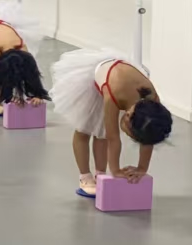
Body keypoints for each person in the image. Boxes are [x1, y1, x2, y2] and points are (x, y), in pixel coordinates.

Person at [49, 50, 172, 198]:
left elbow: (149, 136)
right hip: (96, 79)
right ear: (127, 116)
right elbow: (113, 137)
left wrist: (142, 168)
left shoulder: (152, 103)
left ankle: (100, 174)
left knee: (101, 133)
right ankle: (85, 176)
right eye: (129, 133)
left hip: (120, 76)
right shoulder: (115, 93)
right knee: (84, 129)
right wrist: (116, 170)